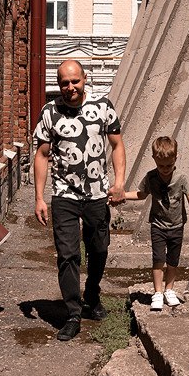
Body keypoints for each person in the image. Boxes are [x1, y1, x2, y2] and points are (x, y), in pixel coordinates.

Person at [33, 60, 126, 341]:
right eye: (64, 83)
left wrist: (119, 183)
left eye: (75, 81)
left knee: (99, 248)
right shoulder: (50, 112)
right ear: (58, 83)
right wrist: (39, 198)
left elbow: (117, 145)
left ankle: (92, 294)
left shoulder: (103, 106)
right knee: (68, 255)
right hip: (64, 195)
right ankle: (73, 314)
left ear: (85, 78)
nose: (70, 87)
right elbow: (41, 155)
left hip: (98, 194)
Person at [124, 135, 189, 310]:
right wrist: (122, 196)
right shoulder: (151, 177)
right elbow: (141, 194)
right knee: (158, 259)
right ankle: (157, 293)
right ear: (154, 159)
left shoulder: (182, 178)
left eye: (169, 166)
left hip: (177, 226)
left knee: (173, 261)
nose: (165, 169)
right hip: (158, 225)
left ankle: (169, 290)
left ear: (176, 158)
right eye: (161, 166)